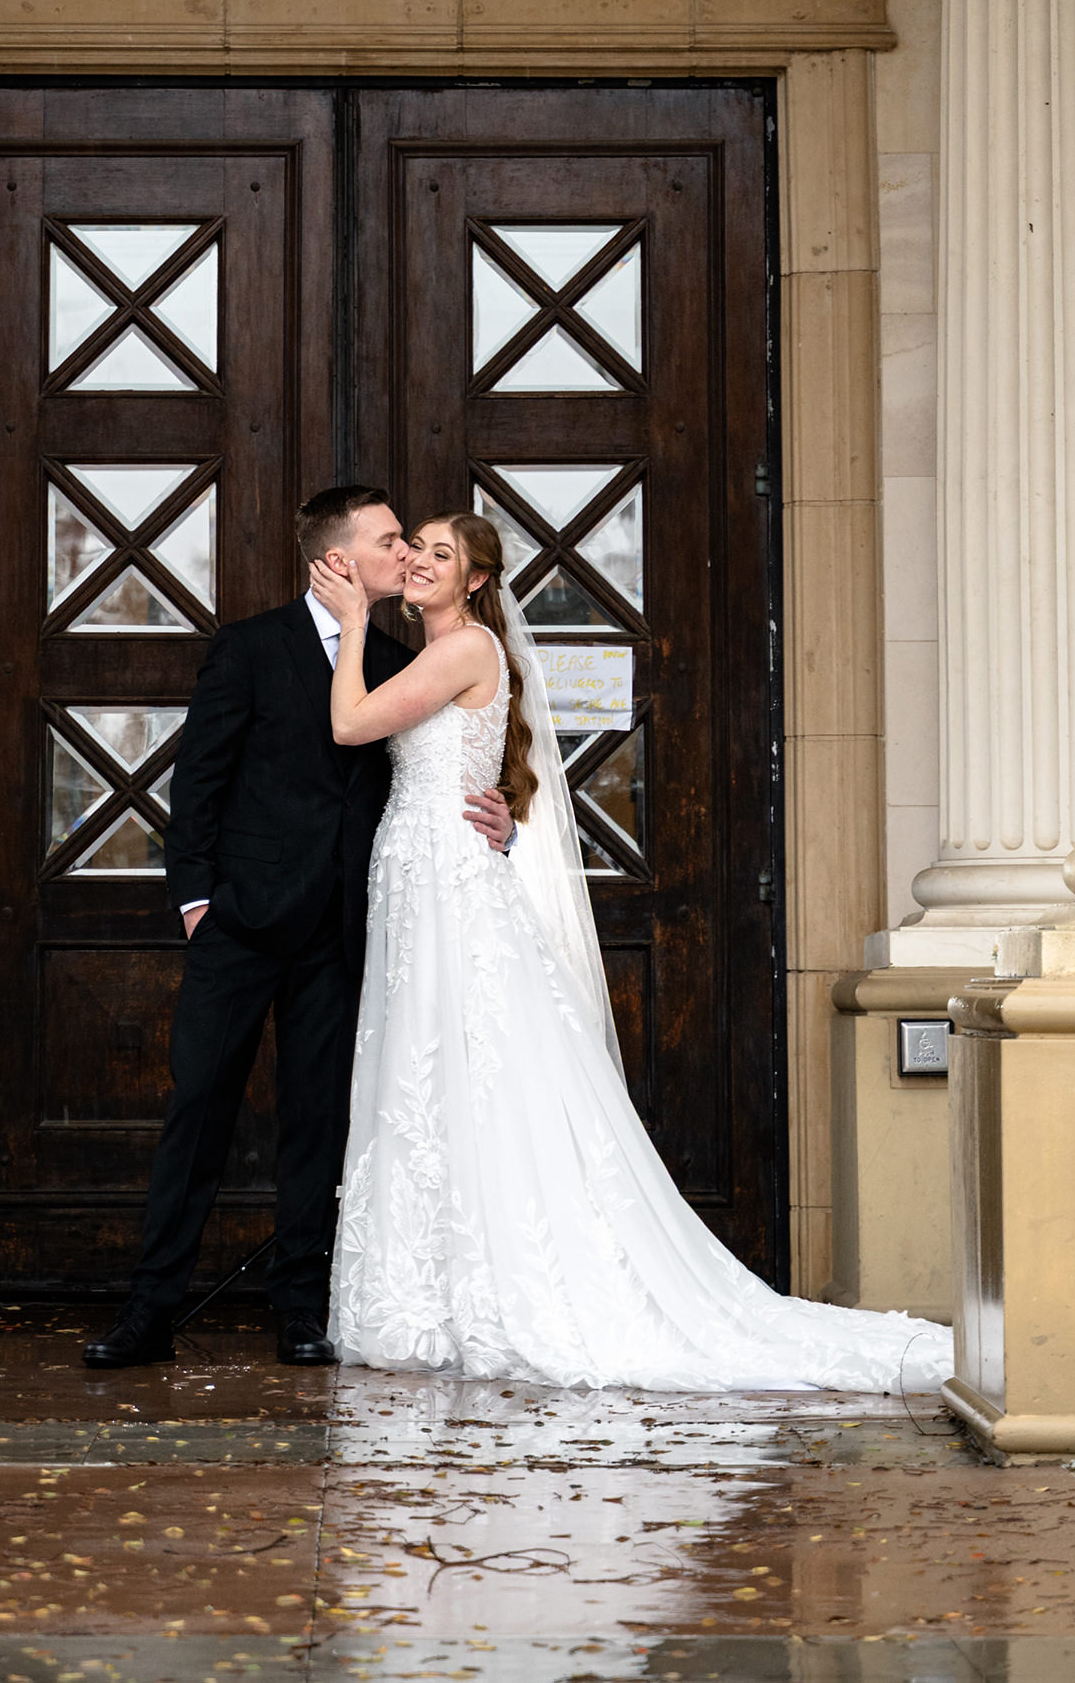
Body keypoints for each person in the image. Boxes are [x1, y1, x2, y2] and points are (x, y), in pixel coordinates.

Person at [311, 511, 955, 1394]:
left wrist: (350, 625)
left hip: (444, 885)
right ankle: (435, 1293)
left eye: (441, 555)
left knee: (461, 1064)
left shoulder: (460, 650)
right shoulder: (443, 653)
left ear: (474, 582)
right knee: (433, 1072)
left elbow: (350, 726)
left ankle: (490, 1290)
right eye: (414, 548)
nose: (420, 561)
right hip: (424, 872)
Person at [82, 484, 513, 1370]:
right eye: (391, 541)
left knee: (318, 1122)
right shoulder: (247, 647)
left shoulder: (403, 657)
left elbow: (457, 762)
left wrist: (505, 817)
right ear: (338, 558)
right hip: (240, 925)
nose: (406, 556)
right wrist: (198, 901)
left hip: (347, 930)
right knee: (197, 1111)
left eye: (414, 545)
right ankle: (149, 1311)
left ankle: (300, 1310)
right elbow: (197, 782)